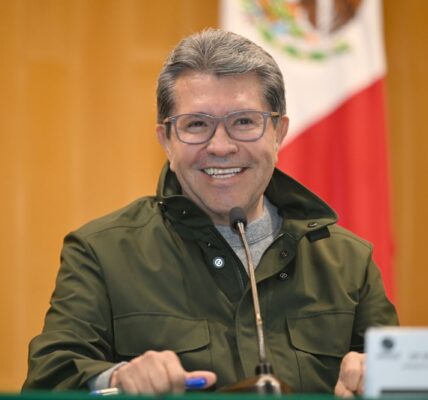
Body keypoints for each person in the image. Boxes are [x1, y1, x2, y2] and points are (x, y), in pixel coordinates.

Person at [23, 28, 398, 396]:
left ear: (278, 133)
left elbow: (402, 379)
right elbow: (49, 380)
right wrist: (115, 380)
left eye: (244, 121)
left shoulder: (349, 262)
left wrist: (386, 382)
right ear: (166, 141)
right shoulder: (101, 253)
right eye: (197, 124)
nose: (220, 146)